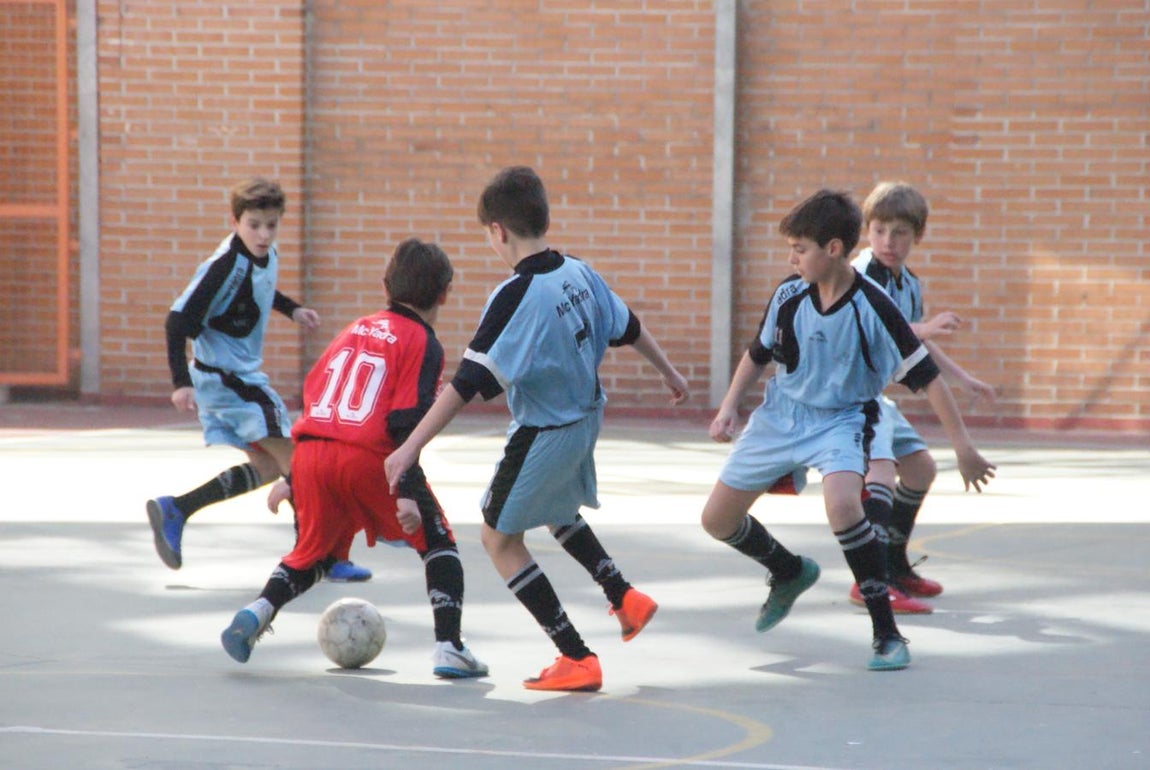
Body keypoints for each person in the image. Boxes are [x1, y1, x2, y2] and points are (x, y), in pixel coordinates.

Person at [384, 166, 690, 692]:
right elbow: (630, 325)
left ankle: (576, 657)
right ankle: (623, 596)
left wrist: (409, 448)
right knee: (552, 507)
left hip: (545, 430)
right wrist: (670, 372)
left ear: (498, 230)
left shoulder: (516, 295)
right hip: (587, 417)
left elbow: (467, 382)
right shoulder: (579, 272)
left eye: (488, 234)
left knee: (498, 537)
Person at [701, 189, 995, 671]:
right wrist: (729, 407)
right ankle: (788, 570)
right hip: (782, 416)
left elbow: (929, 380)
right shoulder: (788, 293)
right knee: (716, 521)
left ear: (833, 249)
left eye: (800, 249)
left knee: (843, 504)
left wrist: (963, 447)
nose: (791, 258)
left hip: (843, 419)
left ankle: (886, 634)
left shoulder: (875, 306)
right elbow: (758, 354)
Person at [221, 238, 488, 678]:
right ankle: (449, 646)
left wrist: (295, 473)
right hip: (370, 459)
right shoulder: (422, 341)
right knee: (438, 542)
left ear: (385, 285)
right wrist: (406, 492)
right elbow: (406, 423)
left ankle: (258, 610)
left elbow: (316, 396)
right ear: (444, 293)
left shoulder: (354, 329)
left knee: (315, 553)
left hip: (312, 453)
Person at [145, 177, 370, 583]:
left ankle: (177, 509)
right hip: (229, 382)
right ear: (234, 221)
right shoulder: (224, 266)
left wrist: (293, 309)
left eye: (271, 225)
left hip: (238, 378)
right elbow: (177, 321)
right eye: (254, 225)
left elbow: (262, 287)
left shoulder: (263, 254)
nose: (264, 234)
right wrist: (181, 382)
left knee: (268, 467)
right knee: (299, 462)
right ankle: (318, 558)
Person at [848, 181, 997, 612]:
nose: (888, 242)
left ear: (917, 236)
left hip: (873, 396)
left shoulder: (908, 282)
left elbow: (915, 341)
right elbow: (883, 328)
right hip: (846, 397)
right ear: (867, 231)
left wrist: (964, 378)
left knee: (920, 470)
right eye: (879, 231)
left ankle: (893, 566)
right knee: (880, 475)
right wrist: (927, 327)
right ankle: (869, 581)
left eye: (899, 233)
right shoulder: (861, 274)